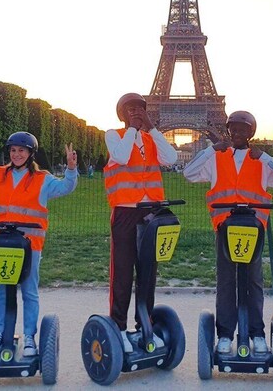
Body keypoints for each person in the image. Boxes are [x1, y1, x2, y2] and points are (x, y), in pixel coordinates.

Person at [0, 130, 78, 356]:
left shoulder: (43, 179)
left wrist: (71, 169)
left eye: (21, 150)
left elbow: (66, 188)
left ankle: (29, 336)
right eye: (13, 150)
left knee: (29, 291)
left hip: (29, 245)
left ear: (30, 153)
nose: (17, 154)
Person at [183, 111, 273, 355]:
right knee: (226, 281)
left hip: (253, 228)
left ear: (251, 133)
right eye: (233, 129)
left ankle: (257, 333)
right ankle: (224, 334)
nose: (237, 133)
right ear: (228, 130)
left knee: (253, 281)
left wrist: (264, 157)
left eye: (243, 129)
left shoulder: (260, 160)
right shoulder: (217, 158)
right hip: (224, 227)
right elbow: (189, 174)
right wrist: (211, 150)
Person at [103, 93, 178, 352]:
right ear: (122, 114)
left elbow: (171, 158)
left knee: (148, 274)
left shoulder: (150, 139)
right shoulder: (113, 135)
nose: (135, 112)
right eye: (130, 109)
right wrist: (132, 129)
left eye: (140, 109)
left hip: (151, 213)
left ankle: (144, 325)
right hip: (125, 212)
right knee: (122, 274)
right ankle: (119, 328)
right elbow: (122, 157)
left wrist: (152, 128)